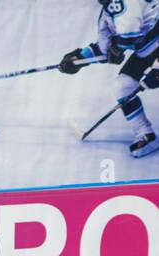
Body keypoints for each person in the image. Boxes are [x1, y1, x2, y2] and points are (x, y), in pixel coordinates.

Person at [59, 0, 159, 158]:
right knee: (123, 86)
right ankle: (146, 134)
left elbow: (128, 36)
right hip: (147, 50)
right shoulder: (108, 12)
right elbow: (104, 49)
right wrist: (78, 59)